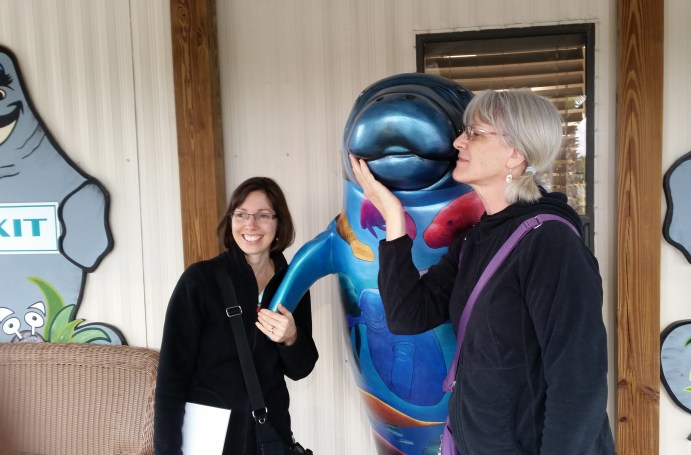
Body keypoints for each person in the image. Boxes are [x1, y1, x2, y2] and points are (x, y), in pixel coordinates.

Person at [350, 90, 616, 454]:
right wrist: (393, 217)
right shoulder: (475, 241)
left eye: (474, 133)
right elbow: (406, 316)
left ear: (516, 153)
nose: (459, 141)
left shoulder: (550, 244)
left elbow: (578, 380)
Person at [154, 177, 318, 454]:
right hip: (208, 435)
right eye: (241, 214)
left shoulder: (292, 283)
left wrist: (291, 338)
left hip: (269, 432)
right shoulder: (200, 281)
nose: (251, 225)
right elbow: (171, 377)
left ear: (279, 224)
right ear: (231, 221)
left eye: (263, 215)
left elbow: (300, 369)